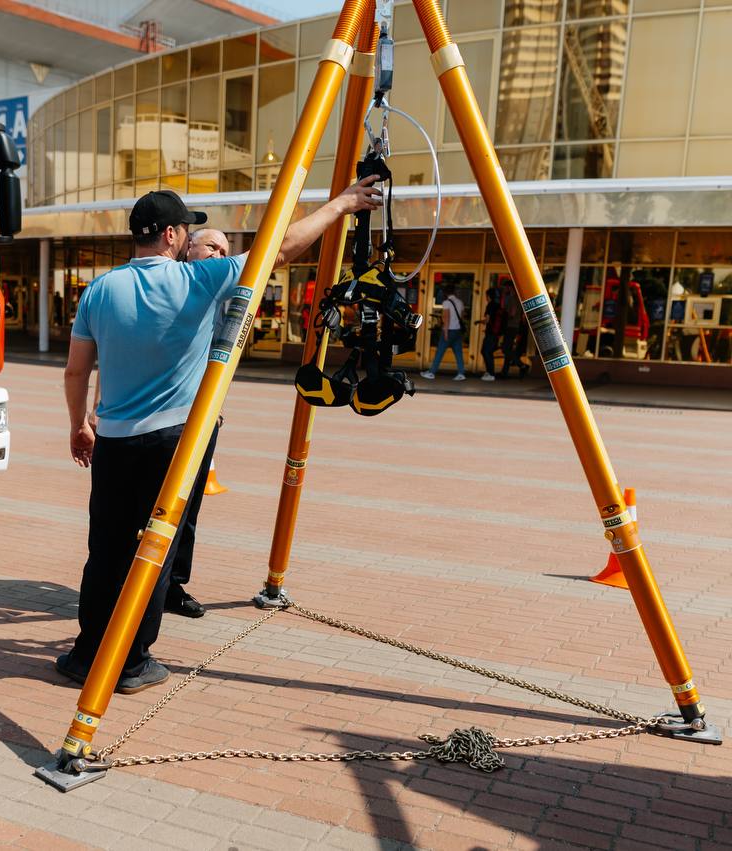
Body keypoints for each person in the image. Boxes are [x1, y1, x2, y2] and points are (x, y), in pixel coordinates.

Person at [58, 179, 382, 694]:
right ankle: (131, 662)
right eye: (185, 228)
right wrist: (341, 205)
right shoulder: (200, 279)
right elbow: (281, 247)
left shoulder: (99, 290)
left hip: (113, 441)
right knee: (155, 551)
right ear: (171, 235)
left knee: (106, 549)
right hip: (173, 442)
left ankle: (86, 654)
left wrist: (79, 424)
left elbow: (76, 371)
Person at [161, 227, 233, 619]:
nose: (219, 256)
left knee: (188, 507)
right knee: (154, 503)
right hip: (160, 417)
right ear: (188, 246)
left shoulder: (221, 296)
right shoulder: (169, 285)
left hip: (202, 415)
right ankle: (138, 582)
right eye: (212, 247)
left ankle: (172, 586)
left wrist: (214, 404)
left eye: (225, 251)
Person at [421, 284, 467, 381]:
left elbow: (446, 317)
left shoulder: (446, 303)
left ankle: (431, 372)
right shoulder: (460, 302)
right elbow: (462, 317)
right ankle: (461, 373)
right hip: (457, 330)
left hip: (449, 330)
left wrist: (445, 332)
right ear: (454, 292)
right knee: (458, 353)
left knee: (440, 352)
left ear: (446, 293)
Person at [477, 285, 505, 381]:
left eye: (486, 296)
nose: (486, 297)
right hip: (495, 333)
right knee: (486, 351)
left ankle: (491, 373)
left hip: (491, 333)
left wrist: (479, 322)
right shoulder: (498, 305)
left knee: (486, 352)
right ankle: (489, 372)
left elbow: (487, 320)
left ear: (489, 296)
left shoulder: (490, 305)